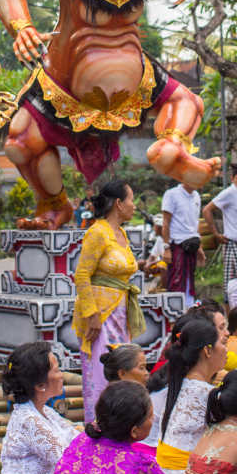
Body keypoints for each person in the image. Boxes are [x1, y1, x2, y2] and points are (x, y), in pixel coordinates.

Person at [158, 319, 237, 474]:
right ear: (207, 351)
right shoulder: (204, 393)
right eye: (223, 343)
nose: (227, 349)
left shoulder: (180, 385)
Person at [73, 180, 144, 422]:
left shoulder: (120, 233)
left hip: (121, 313)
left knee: (121, 373)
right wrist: (92, 315)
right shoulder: (97, 232)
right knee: (101, 375)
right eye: (131, 199)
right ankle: (98, 429)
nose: (134, 205)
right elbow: (82, 274)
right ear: (118, 203)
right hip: (101, 317)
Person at [50, 381, 177, 474]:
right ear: (134, 431)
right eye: (150, 415)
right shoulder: (141, 467)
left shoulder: (81, 441)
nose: (153, 418)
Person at [0, 342, 81, 474]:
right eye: (57, 370)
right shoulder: (28, 420)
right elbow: (69, 462)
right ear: (40, 385)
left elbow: (75, 437)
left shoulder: (45, 412)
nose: (61, 375)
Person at [203, 165, 237, 295]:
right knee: (233, 284)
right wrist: (216, 234)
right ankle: (231, 314)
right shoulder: (229, 193)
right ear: (232, 179)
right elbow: (207, 210)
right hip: (233, 243)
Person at [162, 181, 206, 308]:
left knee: (189, 280)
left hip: (192, 244)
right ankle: (175, 314)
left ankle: (188, 308)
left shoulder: (196, 196)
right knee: (177, 280)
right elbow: (166, 222)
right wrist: (166, 248)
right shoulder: (172, 194)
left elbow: (194, 224)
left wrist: (200, 247)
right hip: (177, 244)